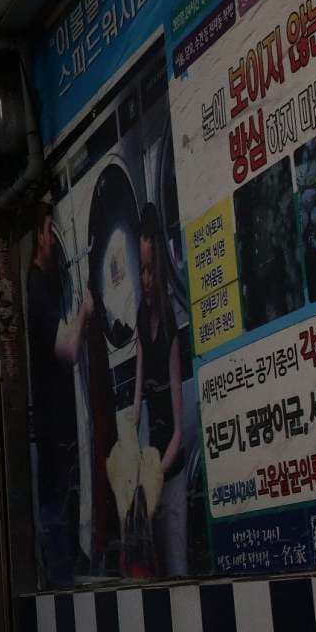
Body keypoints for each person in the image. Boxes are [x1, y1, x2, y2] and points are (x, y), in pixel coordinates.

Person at [25, 199, 89, 586]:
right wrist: (85, 311)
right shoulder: (35, 287)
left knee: (60, 502)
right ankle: (61, 581)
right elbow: (67, 349)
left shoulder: (47, 283)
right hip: (52, 426)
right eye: (51, 231)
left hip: (60, 422)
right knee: (55, 506)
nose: (56, 239)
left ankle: (64, 573)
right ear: (38, 236)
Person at [133, 204, 190, 575]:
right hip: (153, 465)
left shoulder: (170, 330)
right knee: (153, 571)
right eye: (141, 270)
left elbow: (180, 430)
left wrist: (156, 474)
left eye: (151, 270)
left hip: (172, 468)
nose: (146, 278)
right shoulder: (141, 319)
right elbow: (137, 402)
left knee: (177, 567)